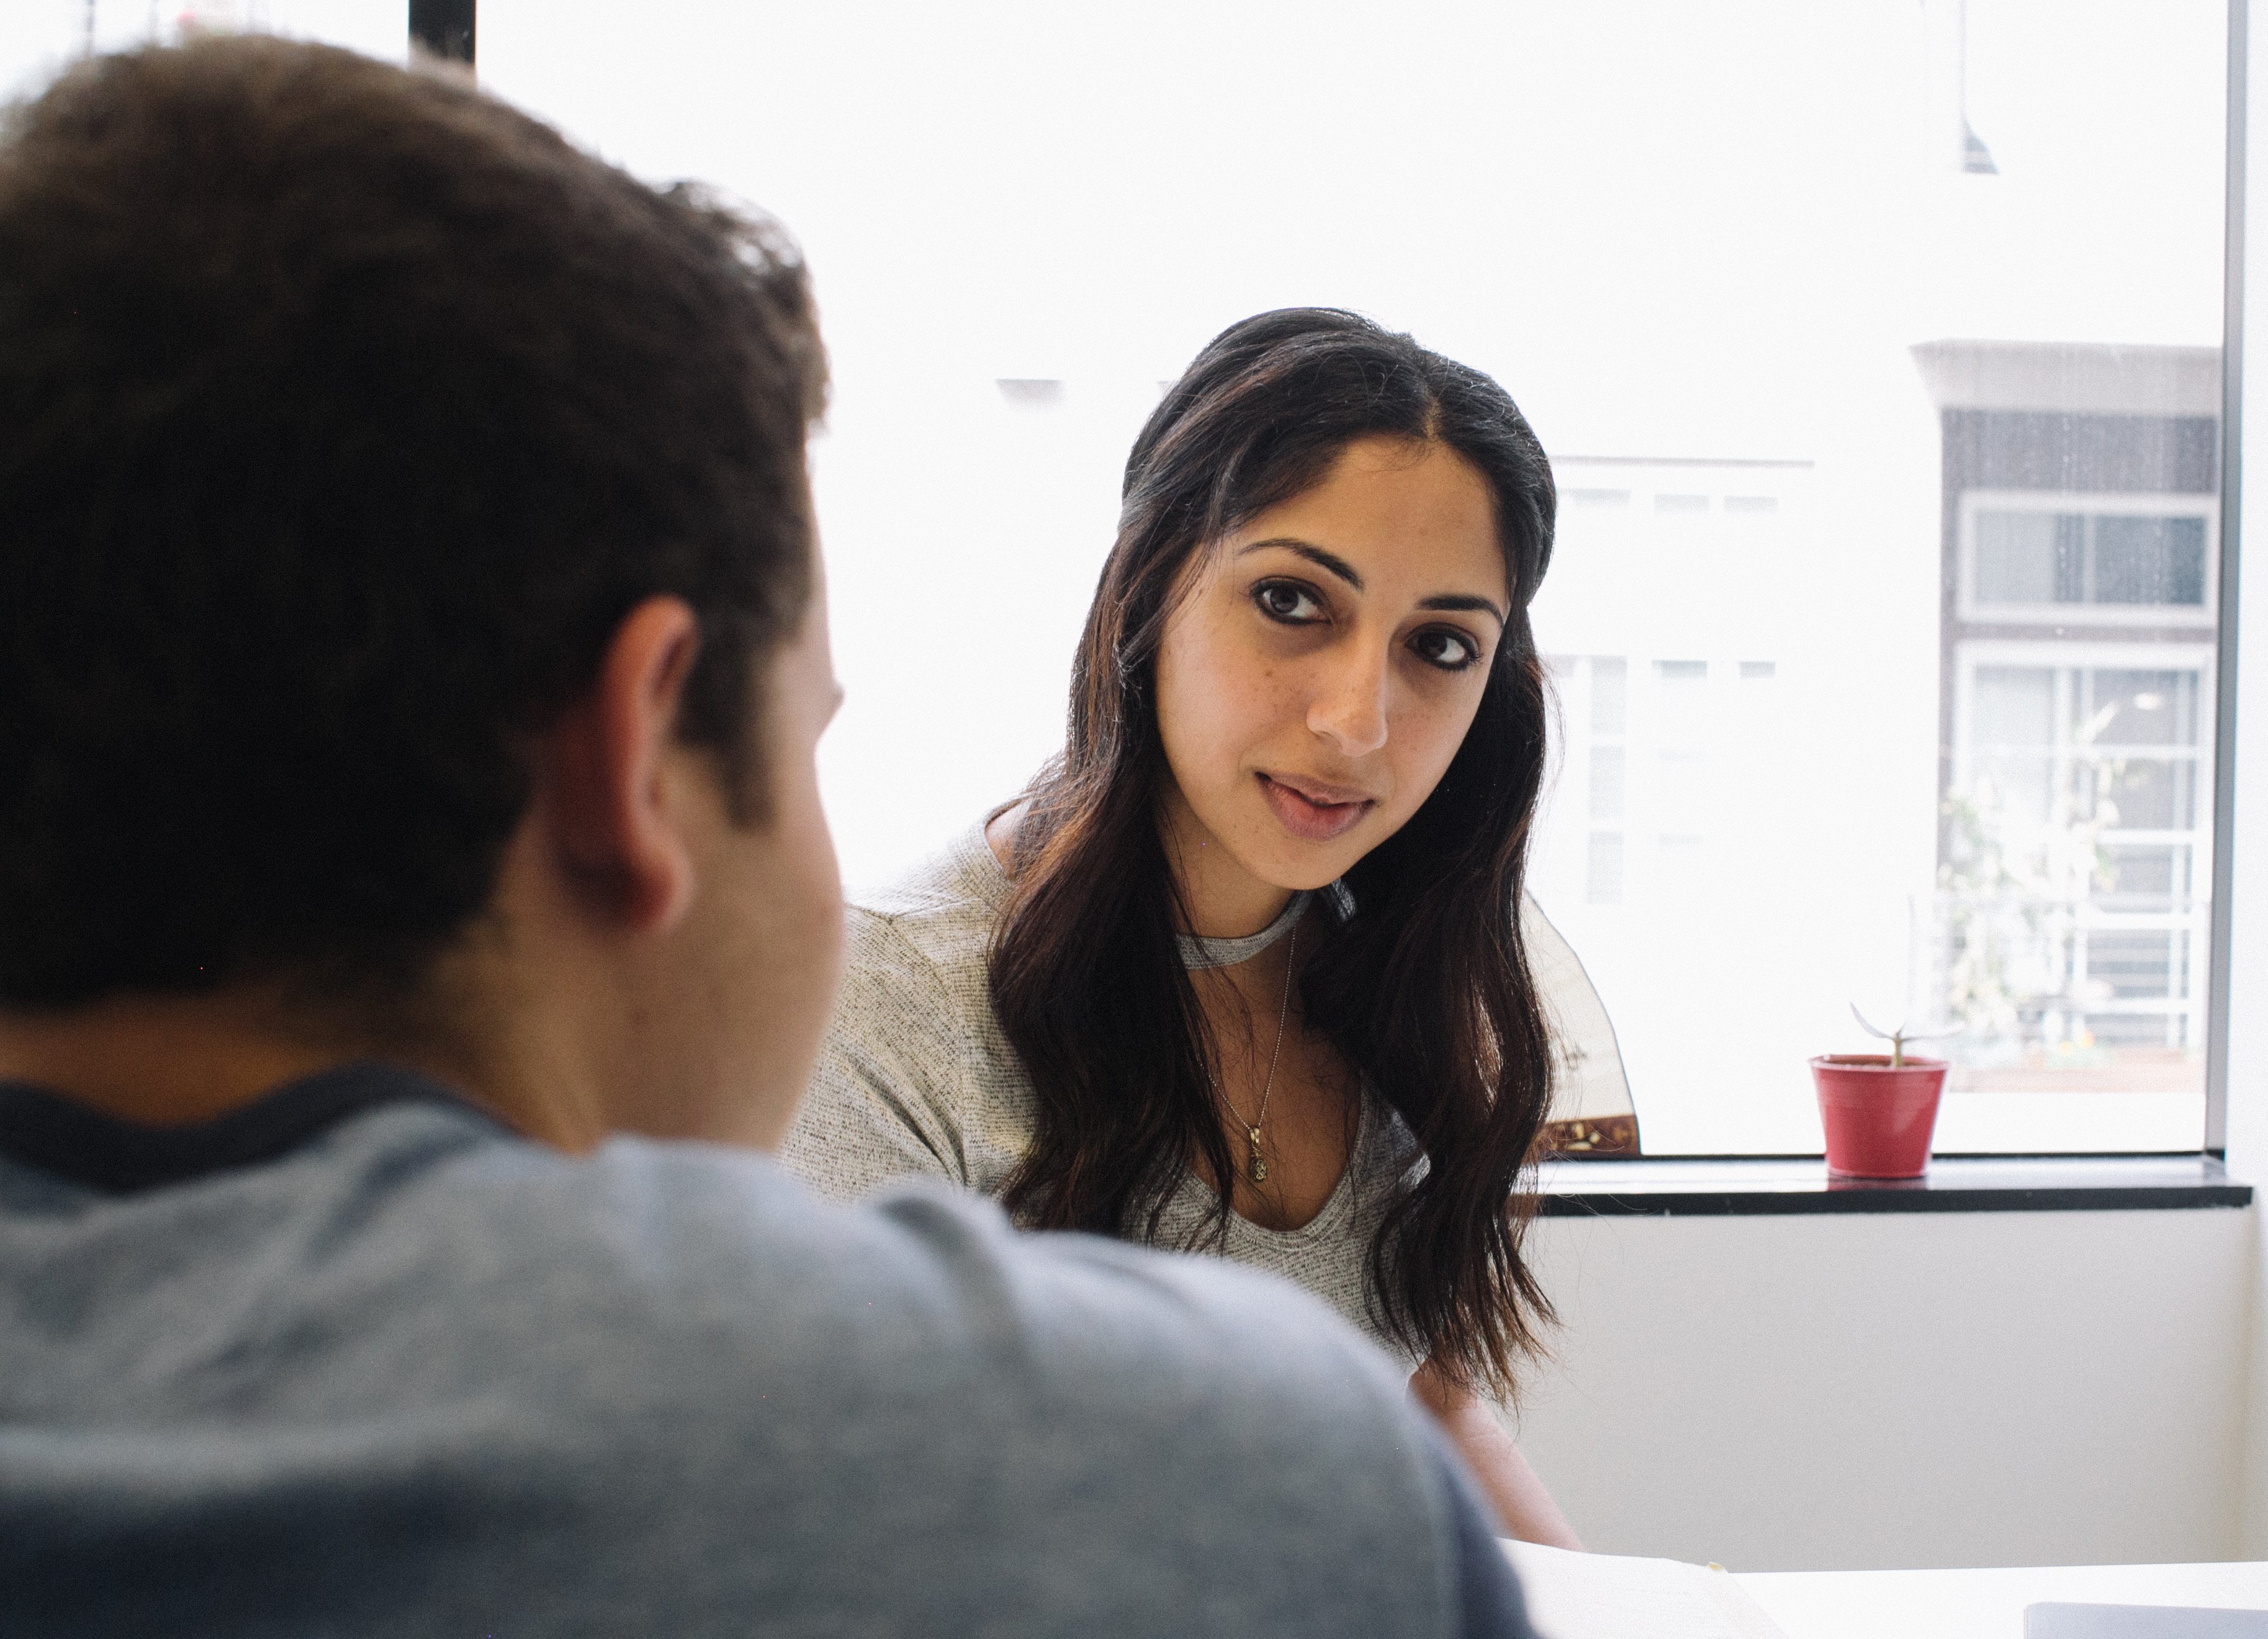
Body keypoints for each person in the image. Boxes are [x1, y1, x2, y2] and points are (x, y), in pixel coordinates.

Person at [0, 38, 1535, 1637]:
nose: (1359, 717)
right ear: (632, 755)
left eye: (1444, 645)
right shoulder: (1240, 1476)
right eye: (807, 736)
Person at [786, 308, 1585, 1547]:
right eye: (1291, 600)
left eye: (1440, 645)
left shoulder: (1386, 976)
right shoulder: (882, 999)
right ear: (1150, 588)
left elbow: (1418, 1405)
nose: (1358, 720)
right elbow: (858, 1538)